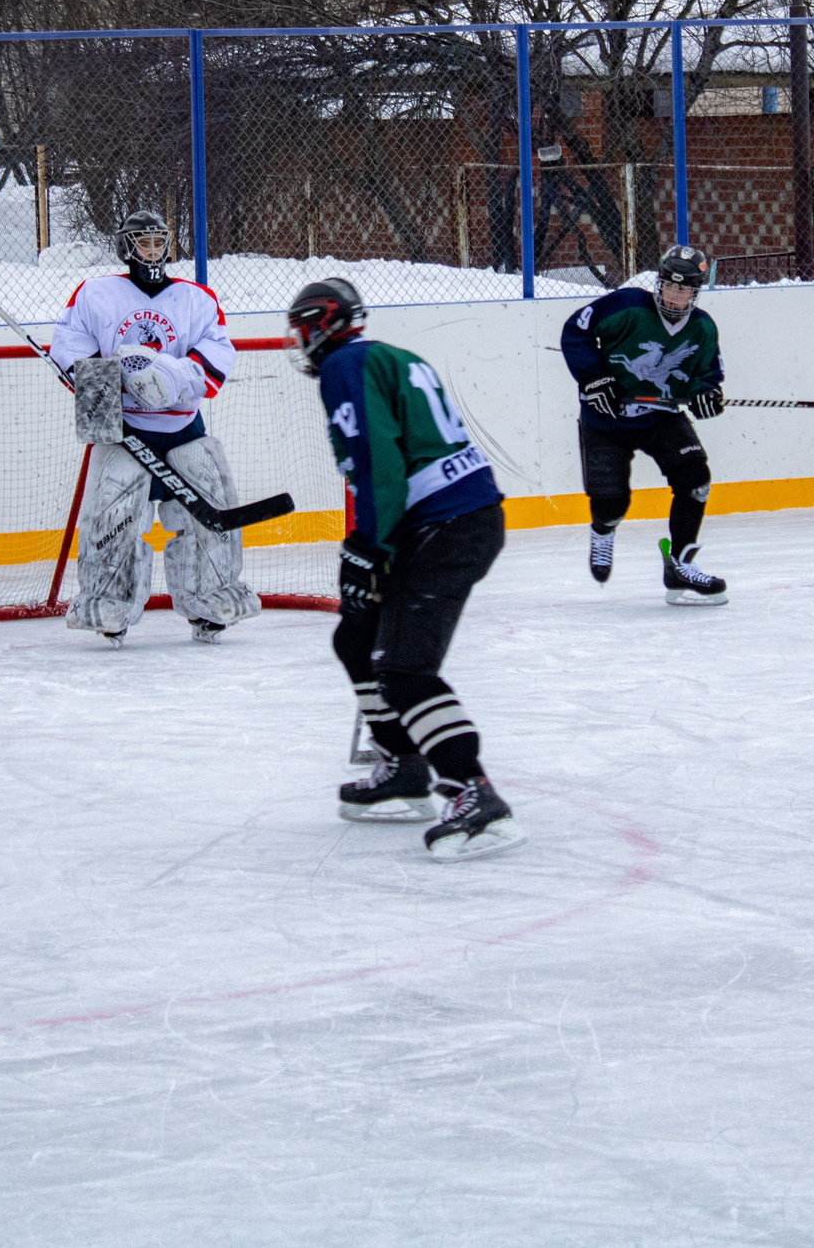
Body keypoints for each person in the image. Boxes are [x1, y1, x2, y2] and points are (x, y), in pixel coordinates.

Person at [286, 277, 521, 861]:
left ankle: (474, 793)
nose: (301, 343)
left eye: (302, 330)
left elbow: (378, 461)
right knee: (357, 636)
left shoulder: (346, 366)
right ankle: (405, 767)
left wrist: (368, 545)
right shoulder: (394, 356)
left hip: (445, 527)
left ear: (322, 324)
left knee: (407, 669)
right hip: (450, 520)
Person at [46, 210, 259, 647]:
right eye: (143, 242)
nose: (153, 250)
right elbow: (71, 347)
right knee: (114, 516)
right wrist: (114, 382)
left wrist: (171, 378)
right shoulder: (95, 294)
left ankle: (210, 601)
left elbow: (218, 352)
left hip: (183, 428)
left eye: (158, 241)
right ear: (126, 247)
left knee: (207, 515)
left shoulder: (195, 298)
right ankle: (110, 605)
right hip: (125, 431)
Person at [559, 243, 728, 605]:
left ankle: (680, 565)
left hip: (659, 416)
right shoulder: (627, 305)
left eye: (684, 289)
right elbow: (576, 331)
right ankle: (603, 531)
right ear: (659, 283)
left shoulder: (701, 328)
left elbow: (707, 376)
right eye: (670, 285)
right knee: (612, 503)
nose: (675, 294)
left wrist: (706, 395)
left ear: (695, 292)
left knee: (695, 479)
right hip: (605, 419)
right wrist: (592, 378)